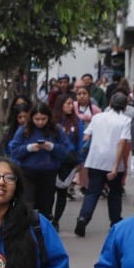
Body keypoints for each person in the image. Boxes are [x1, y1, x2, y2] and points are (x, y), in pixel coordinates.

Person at [74, 92, 131, 237]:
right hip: (113, 161)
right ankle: (115, 221)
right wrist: (116, 166)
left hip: (95, 160)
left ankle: (83, 218)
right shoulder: (125, 120)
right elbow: (122, 142)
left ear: (110, 103)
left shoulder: (98, 117)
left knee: (92, 191)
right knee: (115, 192)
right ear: (125, 106)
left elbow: (86, 135)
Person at [6, 103, 65, 221]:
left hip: (48, 172)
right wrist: (29, 148)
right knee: (27, 203)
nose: (40, 122)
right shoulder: (23, 130)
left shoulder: (56, 130)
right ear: (31, 118)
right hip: (27, 172)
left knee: (45, 204)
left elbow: (65, 150)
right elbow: (14, 150)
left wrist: (52, 147)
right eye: (37, 119)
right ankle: (27, 230)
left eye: (43, 119)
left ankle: (42, 230)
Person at [51, 98, 85, 228]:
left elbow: (81, 142)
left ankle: (56, 220)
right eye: (68, 103)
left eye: (72, 104)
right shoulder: (53, 122)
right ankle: (48, 216)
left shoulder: (77, 122)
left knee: (62, 192)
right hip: (53, 161)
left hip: (69, 162)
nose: (71, 106)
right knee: (49, 192)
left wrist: (80, 160)